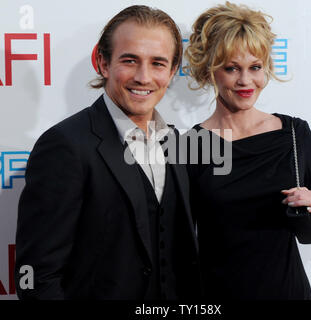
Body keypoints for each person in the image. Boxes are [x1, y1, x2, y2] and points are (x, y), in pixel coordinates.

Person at [15, 5, 201, 300]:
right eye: (130, 60)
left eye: (158, 63)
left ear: (173, 70)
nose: (143, 77)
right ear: (103, 63)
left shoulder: (176, 142)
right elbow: (38, 275)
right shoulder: (65, 146)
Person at [184, 2, 311, 300]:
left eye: (255, 67)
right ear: (210, 70)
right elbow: (180, 240)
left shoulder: (295, 133)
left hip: (287, 291)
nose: (246, 81)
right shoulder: (192, 145)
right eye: (232, 68)